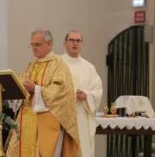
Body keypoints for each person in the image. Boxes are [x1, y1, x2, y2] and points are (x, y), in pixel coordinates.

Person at [6, 29, 81, 157]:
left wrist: (36, 89)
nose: (34, 48)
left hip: (46, 122)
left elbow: (62, 92)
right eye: (32, 44)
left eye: (37, 44)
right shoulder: (31, 65)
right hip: (25, 119)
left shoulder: (58, 65)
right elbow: (21, 84)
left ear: (49, 44)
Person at [61, 31, 103, 157]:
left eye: (78, 41)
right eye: (71, 40)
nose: (75, 43)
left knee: (82, 150)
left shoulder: (89, 67)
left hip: (81, 117)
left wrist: (87, 95)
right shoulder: (57, 63)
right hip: (61, 116)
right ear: (65, 43)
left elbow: (98, 90)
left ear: (82, 45)